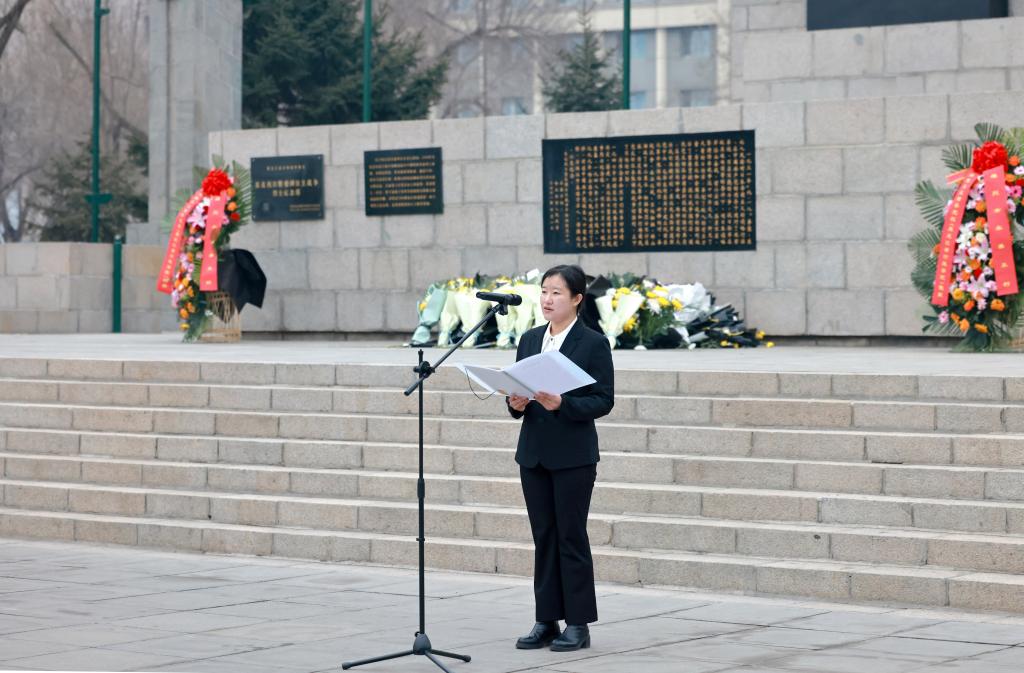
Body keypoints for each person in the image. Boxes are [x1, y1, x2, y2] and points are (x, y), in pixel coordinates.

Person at [506, 264, 615, 652]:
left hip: (573, 457)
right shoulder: (530, 339)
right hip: (533, 455)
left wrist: (563, 404)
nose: (547, 299)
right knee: (544, 537)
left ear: (577, 299)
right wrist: (515, 403)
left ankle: (578, 624)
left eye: (556, 293)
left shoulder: (592, 343)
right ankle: (546, 619)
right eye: (544, 291)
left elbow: (603, 400)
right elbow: (517, 393)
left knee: (570, 536)